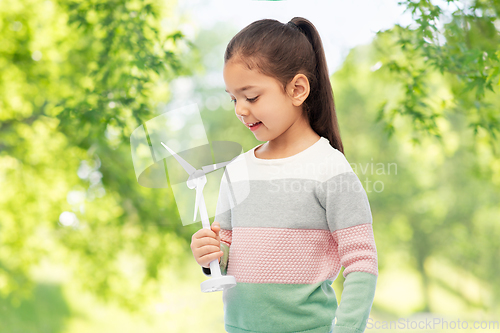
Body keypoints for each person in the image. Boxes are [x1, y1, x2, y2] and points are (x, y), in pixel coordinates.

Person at [190, 17, 378, 333]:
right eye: (233, 98)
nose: (239, 109)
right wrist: (209, 255)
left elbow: (362, 263)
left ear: (297, 89)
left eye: (251, 97)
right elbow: (226, 255)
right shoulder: (236, 171)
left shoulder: (330, 169)